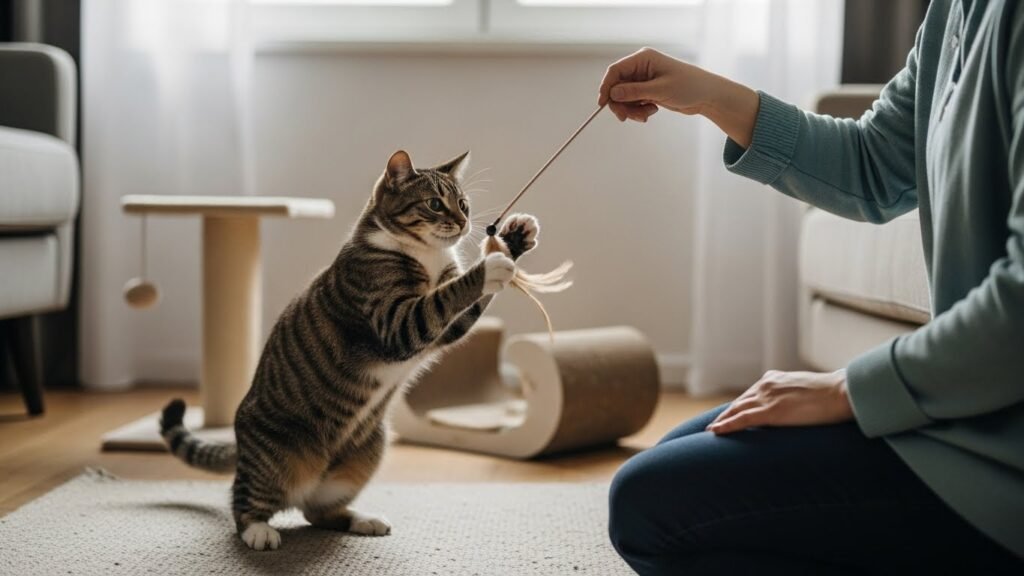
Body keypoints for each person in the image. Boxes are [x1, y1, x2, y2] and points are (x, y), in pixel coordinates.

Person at [599, 1, 1024, 574]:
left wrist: (847, 389)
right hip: (962, 413)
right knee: (678, 453)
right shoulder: (954, 10)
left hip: (1003, 458)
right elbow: (874, 163)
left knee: (650, 508)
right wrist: (710, 96)